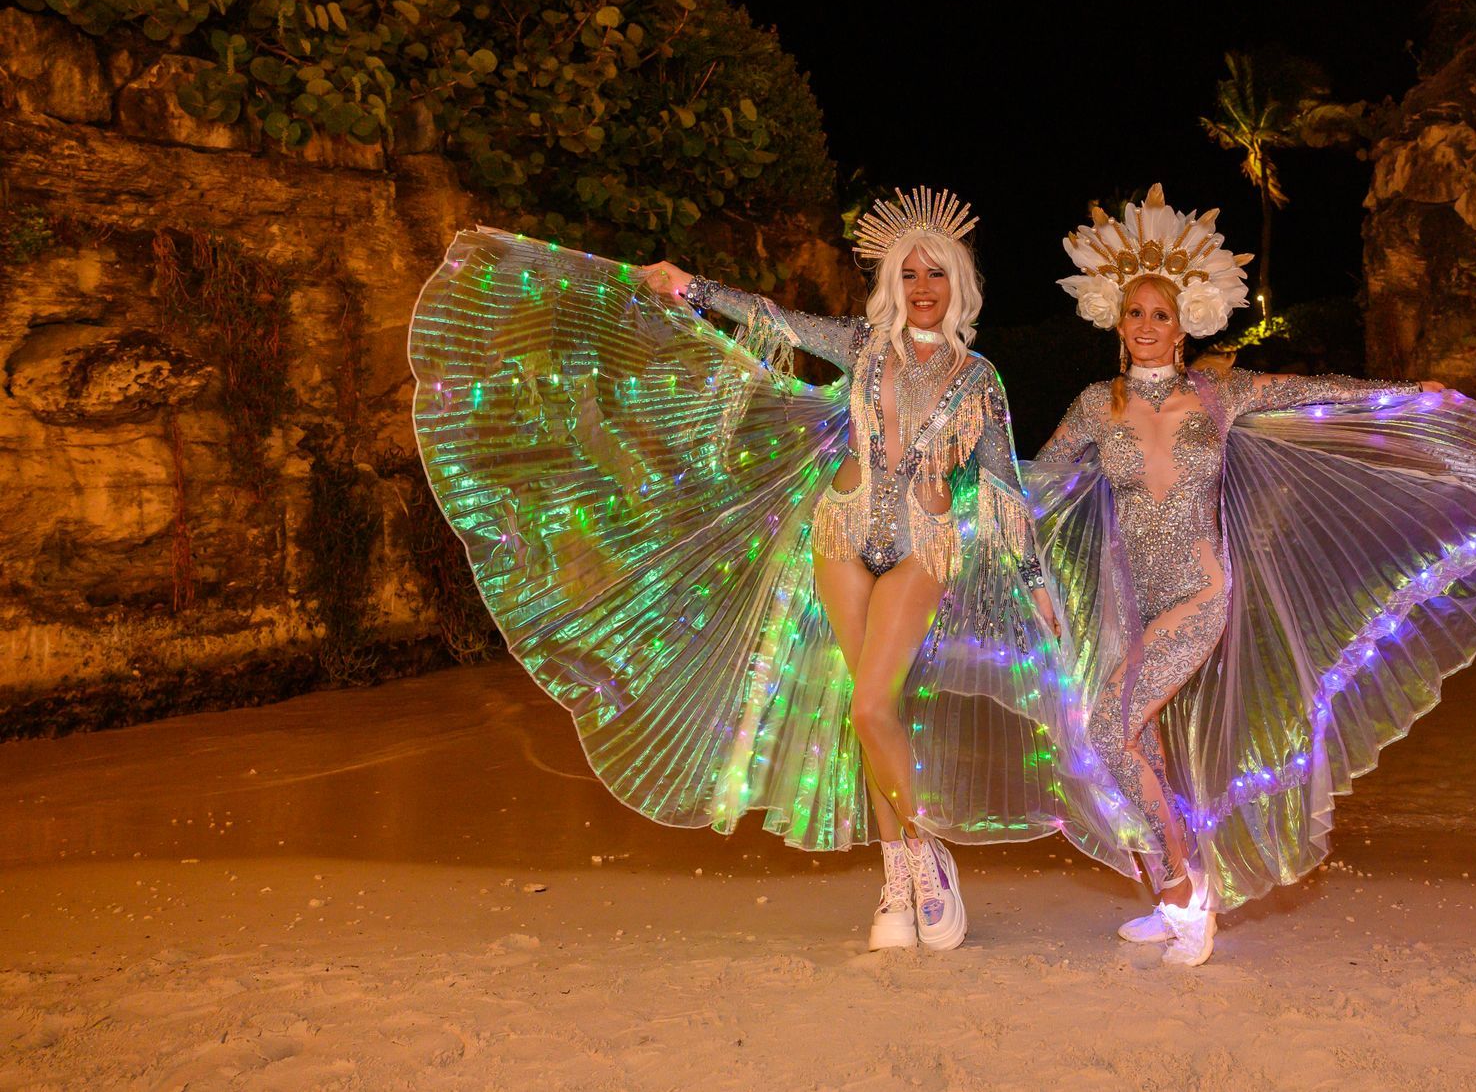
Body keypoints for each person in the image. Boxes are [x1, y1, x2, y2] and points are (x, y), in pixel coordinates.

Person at [409, 188, 1136, 955]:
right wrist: (691, 286)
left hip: (924, 545)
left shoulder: (980, 377)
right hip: (841, 531)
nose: (923, 287)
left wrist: (1034, 583)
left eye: (937, 274)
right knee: (868, 708)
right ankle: (901, 872)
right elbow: (775, 318)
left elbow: (1001, 488)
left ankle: (926, 858)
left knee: (872, 706)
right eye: (909, 273)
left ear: (959, 284)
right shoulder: (862, 343)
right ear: (892, 282)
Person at [1028, 185, 1476, 967]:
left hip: (1198, 593)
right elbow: (1038, 484)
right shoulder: (1096, 405)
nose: (1148, 325)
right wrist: (1030, 569)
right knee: (1136, 743)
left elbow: (1322, 393)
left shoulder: (1219, 393)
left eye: (1161, 313)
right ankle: (1170, 890)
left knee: (1109, 730)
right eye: (1136, 313)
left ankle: (1189, 891)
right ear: (1117, 323)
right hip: (1130, 599)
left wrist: (1407, 395)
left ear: (1184, 326)